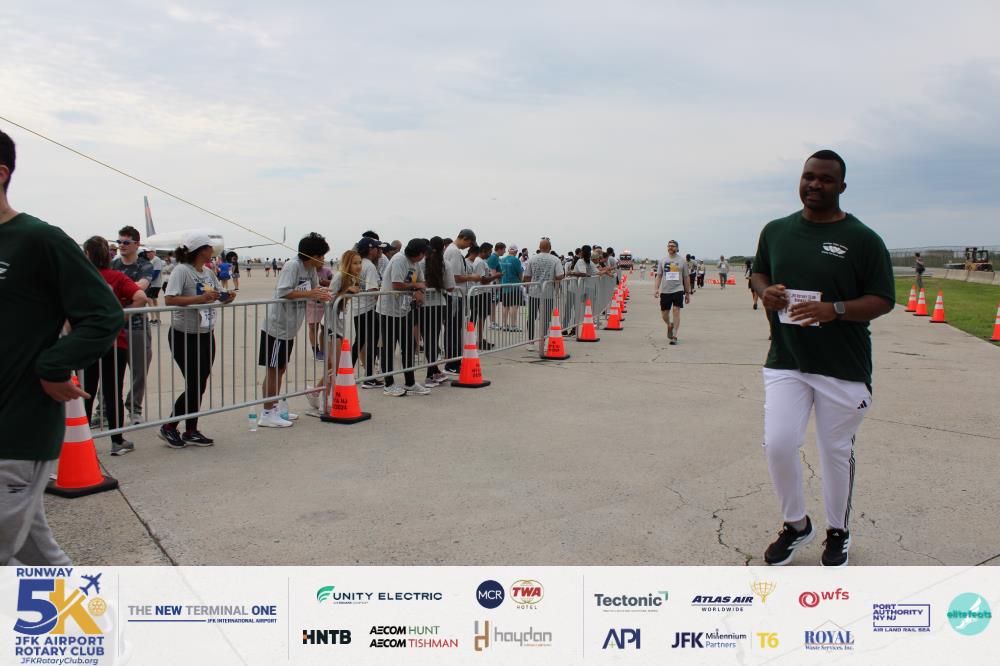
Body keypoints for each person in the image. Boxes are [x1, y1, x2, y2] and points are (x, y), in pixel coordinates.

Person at [750, 149, 894, 567]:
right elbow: (758, 272)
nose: (815, 184)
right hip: (787, 359)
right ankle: (796, 525)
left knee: (834, 451)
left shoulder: (863, 239)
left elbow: (883, 299)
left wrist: (836, 309)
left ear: (842, 186)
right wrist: (764, 291)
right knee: (778, 444)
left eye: (826, 179)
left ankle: (838, 532)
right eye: (809, 176)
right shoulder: (776, 231)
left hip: (841, 366)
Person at [0, 130, 122, 564]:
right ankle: (88, 610)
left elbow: (104, 315)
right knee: (35, 554)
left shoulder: (39, 239)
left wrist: (54, 366)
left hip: (16, 427)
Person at [159, 233, 238, 447]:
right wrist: (200, 298)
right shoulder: (182, 271)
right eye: (209, 247)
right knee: (194, 383)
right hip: (184, 335)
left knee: (200, 383)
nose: (212, 250)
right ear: (199, 250)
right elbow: (170, 299)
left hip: (205, 334)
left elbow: (217, 295)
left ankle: (191, 429)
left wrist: (227, 297)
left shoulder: (208, 272)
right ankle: (169, 426)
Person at [258, 234, 332, 428]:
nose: (323, 259)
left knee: (280, 368)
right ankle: (267, 412)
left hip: (290, 328)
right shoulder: (293, 266)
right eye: (321, 256)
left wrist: (326, 293)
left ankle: (275, 408)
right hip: (277, 327)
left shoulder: (311, 269)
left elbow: (315, 290)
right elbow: (283, 291)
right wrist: (311, 293)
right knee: (274, 369)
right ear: (312, 255)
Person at [82, 236, 147, 455]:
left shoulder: (81, 278)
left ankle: (83, 441)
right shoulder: (117, 277)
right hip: (114, 341)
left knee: (87, 391)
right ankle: (117, 440)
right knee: (113, 392)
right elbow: (141, 297)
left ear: (87, 255)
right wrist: (120, 317)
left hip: (87, 343)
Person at [377, 238, 430, 396]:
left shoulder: (415, 263)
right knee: (389, 347)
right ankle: (388, 384)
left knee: (408, 346)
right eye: (424, 253)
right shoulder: (400, 259)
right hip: (388, 310)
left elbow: (421, 281)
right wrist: (416, 286)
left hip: (404, 310)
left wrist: (419, 290)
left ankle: (410, 382)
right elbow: (397, 284)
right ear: (419, 253)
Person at [112, 225, 154, 424]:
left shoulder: (145, 265)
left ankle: (134, 408)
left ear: (136, 244)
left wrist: (118, 289)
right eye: (119, 242)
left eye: (126, 242)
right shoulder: (113, 264)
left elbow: (141, 288)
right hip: (115, 328)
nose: (122, 245)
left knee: (139, 370)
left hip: (137, 326)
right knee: (111, 372)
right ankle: (104, 409)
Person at [443, 229, 480, 374]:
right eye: (469, 243)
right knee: (452, 330)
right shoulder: (454, 252)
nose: (468, 247)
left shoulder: (453, 251)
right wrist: (472, 277)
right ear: (464, 238)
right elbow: (455, 277)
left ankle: (455, 361)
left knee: (455, 329)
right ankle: (451, 363)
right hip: (454, 296)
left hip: (456, 295)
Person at [419, 237, 453, 387]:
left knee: (428, 339)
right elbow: (450, 287)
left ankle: (434, 371)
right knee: (434, 338)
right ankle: (430, 374)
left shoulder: (420, 262)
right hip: (438, 304)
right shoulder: (445, 264)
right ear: (443, 248)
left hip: (422, 304)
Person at [522, 237, 565, 342]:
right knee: (546, 318)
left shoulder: (532, 259)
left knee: (531, 317)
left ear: (539, 247)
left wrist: (527, 288)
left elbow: (526, 277)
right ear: (550, 248)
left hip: (534, 292)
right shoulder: (555, 259)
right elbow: (560, 275)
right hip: (548, 293)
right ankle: (543, 340)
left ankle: (531, 341)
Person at [653, 240, 691, 345]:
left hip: (678, 289)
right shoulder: (663, 260)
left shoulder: (682, 261)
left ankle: (674, 335)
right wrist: (656, 289)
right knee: (664, 314)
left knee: (676, 310)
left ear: (677, 248)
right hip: (665, 290)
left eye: (673, 246)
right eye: (669, 246)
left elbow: (686, 277)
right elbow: (659, 275)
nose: (670, 247)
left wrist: (687, 293)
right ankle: (669, 325)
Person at [307, 262, 334, 360]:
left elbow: (334, 282)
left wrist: (325, 282)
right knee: (313, 327)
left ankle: (323, 351)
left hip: (324, 304)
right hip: (311, 303)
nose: (322, 262)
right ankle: (316, 351)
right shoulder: (308, 271)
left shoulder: (327, 271)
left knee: (324, 328)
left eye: (323, 259)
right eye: (320, 258)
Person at [499, 244, 524, 331]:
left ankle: (504, 325)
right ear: (516, 251)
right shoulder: (516, 260)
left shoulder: (502, 259)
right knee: (514, 306)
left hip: (504, 285)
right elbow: (520, 273)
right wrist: (521, 281)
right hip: (514, 286)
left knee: (505, 306)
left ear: (509, 250)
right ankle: (513, 325)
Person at [145, 247, 165, 323]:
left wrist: (148, 281)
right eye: (147, 252)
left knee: (149, 299)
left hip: (155, 284)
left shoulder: (156, 260)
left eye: (149, 252)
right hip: (153, 284)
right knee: (153, 301)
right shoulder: (151, 260)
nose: (147, 253)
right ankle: (156, 318)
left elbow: (156, 272)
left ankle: (154, 318)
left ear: (153, 252)